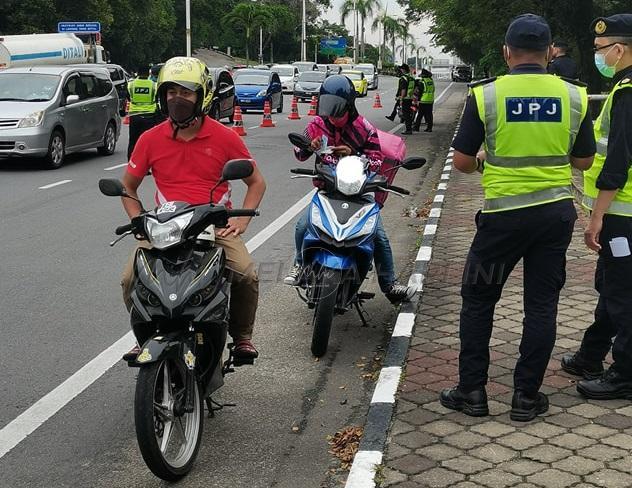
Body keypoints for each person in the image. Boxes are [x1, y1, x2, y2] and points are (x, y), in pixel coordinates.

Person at [439, 13, 595, 421]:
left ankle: (472, 392)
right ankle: (526, 397)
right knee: (541, 306)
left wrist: (484, 163)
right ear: (548, 53)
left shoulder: (486, 95)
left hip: (502, 219)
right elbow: (583, 160)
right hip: (554, 218)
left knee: (478, 301)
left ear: (507, 52)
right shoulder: (574, 96)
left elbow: (460, 162)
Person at [119, 57, 266, 362]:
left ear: (202, 96)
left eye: (185, 92)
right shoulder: (149, 139)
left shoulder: (225, 137)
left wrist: (240, 221)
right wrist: (138, 221)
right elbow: (127, 188)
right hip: (166, 226)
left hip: (212, 225)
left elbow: (256, 182)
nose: (177, 99)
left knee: (246, 274)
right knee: (130, 278)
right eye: (171, 92)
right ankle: (144, 335)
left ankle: (241, 337)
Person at [283, 75, 415, 304]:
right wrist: (308, 145)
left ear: (349, 105)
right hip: (328, 189)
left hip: (360, 193)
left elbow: (376, 160)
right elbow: (299, 153)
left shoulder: (364, 128)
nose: (333, 118)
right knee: (303, 225)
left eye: (338, 111)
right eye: (329, 110)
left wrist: (354, 154)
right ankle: (299, 265)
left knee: (379, 237)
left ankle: (390, 284)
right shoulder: (317, 124)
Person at [561, 14, 632, 400]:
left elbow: (618, 162)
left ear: (619, 49)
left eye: (602, 50)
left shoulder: (626, 93)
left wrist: (597, 216)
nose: (600, 56)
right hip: (622, 212)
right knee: (611, 285)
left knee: (622, 294)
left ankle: (625, 374)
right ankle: (591, 355)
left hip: (623, 213)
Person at [126, 65, 164, 160]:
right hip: (149, 115)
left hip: (134, 115)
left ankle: (131, 162)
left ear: (138, 73)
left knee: (133, 140)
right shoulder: (153, 85)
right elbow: (157, 98)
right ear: (148, 73)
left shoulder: (131, 84)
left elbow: (128, 97)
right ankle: (145, 165)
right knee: (147, 142)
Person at [396, 64, 416, 135]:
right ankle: (409, 128)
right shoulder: (412, 77)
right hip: (410, 98)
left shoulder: (403, 78)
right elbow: (415, 88)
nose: (400, 70)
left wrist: (401, 99)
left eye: (401, 69)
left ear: (403, 70)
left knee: (406, 114)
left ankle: (408, 130)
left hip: (405, 98)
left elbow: (403, 89)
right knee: (409, 114)